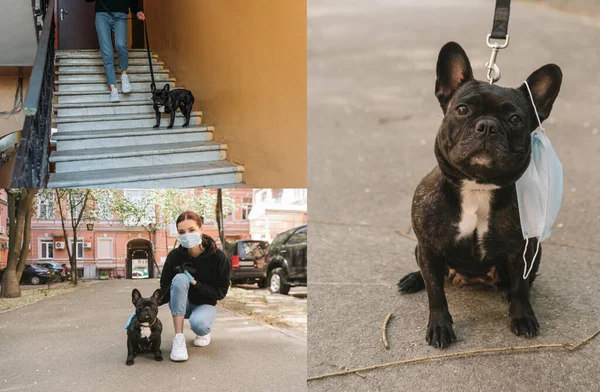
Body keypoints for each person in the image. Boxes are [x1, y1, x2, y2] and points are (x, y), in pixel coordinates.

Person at [158, 210, 231, 362]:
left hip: (205, 303)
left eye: (191, 230)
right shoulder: (175, 256)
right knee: (179, 278)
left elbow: (220, 292)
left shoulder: (218, 257)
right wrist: (147, 305)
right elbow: (165, 288)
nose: (187, 235)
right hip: (182, 305)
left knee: (200, 325)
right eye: (181, 232)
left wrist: (195, 283)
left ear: (201, 230)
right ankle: (179, 339)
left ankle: (203, 331)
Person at [85, 0, 146, 102]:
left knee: (121, 44)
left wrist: (137, 10)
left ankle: (124, 75)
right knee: (107, 51)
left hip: (120, 14)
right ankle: (113, 88)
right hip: (102, 14)